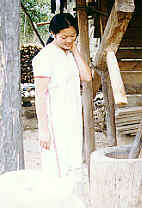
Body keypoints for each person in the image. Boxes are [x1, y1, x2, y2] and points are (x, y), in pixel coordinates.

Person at [32, 13, 92, 177]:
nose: (69, 40)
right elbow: (40, 96)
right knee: (55, 168)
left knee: (71, 166)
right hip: (55, 120)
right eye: (64, 36)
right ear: (53, 33)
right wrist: (44, 130)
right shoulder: (44, 58)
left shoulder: (69, 54)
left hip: (72, 117)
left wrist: (74, 50)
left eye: (73, 36)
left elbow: (87, 77)